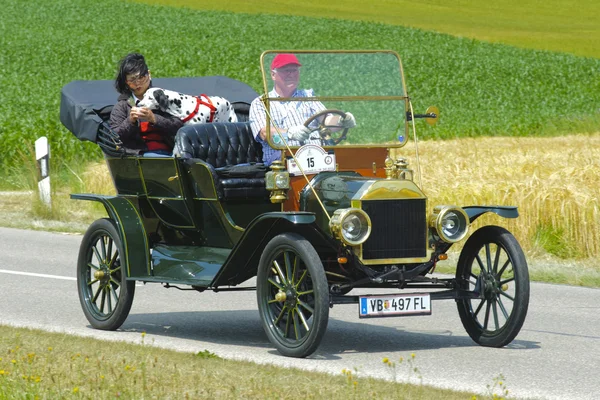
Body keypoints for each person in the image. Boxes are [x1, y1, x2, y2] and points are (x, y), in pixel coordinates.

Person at [249, 53, 356, 166]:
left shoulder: (307, 97)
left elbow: (326, 121)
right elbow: (265, 133)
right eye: (286, 70)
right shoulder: (261, 103)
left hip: (317, 155)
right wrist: (290, 133)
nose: (291, 75)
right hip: (282, 159)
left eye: (294, 70)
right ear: (273, 75)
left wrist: (341, 120)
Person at [109, 53, 183, 157]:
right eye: (132, 80)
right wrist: (130, 121)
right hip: (140, 155)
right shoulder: (122, 106)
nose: (137, 83)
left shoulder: (163, 99)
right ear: (126, 82)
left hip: (171, 150)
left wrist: (154, 118)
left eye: (141, 77)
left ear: (149, 74)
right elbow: (114, 137)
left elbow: (179, 125)